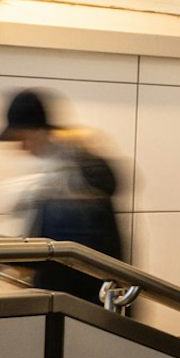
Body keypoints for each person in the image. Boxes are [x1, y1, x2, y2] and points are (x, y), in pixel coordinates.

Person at [0, 89, 124, 302]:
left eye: (23, 138)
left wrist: (17, 256)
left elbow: (65, 249)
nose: (21, 147)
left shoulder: (73, 175)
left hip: (86, 303)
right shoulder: (60, 172)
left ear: (38, 131)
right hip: (79, 296)